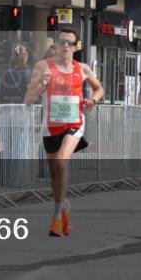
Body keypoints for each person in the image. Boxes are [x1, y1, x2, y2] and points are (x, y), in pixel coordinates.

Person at [24, 28, 103, 237]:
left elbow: (99, 88)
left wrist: (93, 100)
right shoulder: (43, 67)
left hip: (74, 124)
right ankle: (63, 205)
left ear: (76, 47)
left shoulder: (82, 69)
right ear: (56, 46)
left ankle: (57, 216)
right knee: (54, 174)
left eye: (70, 43)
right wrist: (41, 84)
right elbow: (29, 99)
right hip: (50, 126)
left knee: (61, 161)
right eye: (62, 42)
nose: (66, 46)